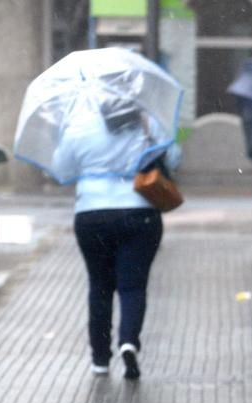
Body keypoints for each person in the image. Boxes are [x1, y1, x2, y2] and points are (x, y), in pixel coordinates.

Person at [53, 98, 180, 380]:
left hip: (91, 213)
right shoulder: (146, 119)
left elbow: (61, 169)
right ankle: (128, 341)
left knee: (99, 286)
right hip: (140, 212)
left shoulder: (78, 125)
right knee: (133, 286)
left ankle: (99, 359)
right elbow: (173, 158)